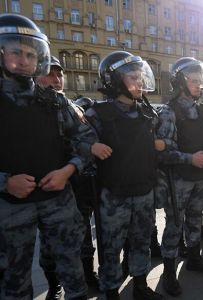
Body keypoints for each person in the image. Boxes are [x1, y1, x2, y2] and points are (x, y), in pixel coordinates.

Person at [0, 14, 97, 300]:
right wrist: (6, 183)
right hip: (11, 207)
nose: (25, 60)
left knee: (73, 269)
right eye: (16, 52)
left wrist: (68, 170)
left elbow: (87, 139)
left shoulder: (54, 101)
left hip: (58, 202)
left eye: (31, 54)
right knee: (14, 279)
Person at [85, 51, 164, 300]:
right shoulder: (97, 114)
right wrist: (90, 147)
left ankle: (140, 287)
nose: (139, 82)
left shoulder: (147, 112)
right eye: (133, 77)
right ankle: (111, 292)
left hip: (143, 191)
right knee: (111, 249)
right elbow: (75, 144)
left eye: (140, 77)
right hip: (113, 195)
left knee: (141, 243)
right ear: (116, 80)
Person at [156, 57, 203, 297]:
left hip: (199, 177)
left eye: (200, 81)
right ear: (180, 81)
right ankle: (168, 271)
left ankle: (194, 258)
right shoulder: (169, 111)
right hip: (178, 179)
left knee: (196, 218)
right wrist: (191, 159)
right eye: (193, 81)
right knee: (174, 224)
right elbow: (164, 153)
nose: (199, 85)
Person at [35, 57, 99, 299]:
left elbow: (88, 140)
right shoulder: (23, 106)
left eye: (59, 75)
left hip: (75, 187)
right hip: (40, 191)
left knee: (81, 240)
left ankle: (87, 276)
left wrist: (72, 167)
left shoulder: (69, 107)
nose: (56, 80)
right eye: (49, 74)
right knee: (48, 250)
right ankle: (54, 286)